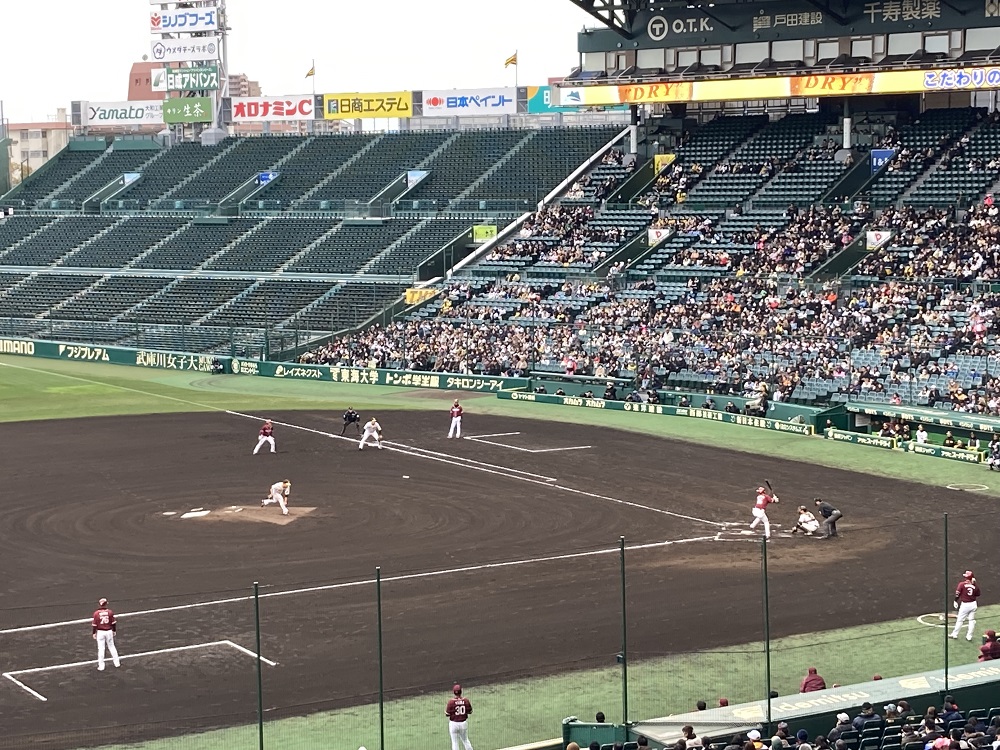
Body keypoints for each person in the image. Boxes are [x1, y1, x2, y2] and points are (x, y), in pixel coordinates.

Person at [950, 570, 980, 641]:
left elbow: (957, 593)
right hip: (973, 604)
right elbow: (978, 594)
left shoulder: (961, 584)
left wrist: (955, 600)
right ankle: (969, 636)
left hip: (965, 605)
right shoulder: (974, 586)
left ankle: (955, 634)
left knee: (960, 620)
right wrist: (974, 584)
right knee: (971, 620)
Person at [92, 597, 121, 671]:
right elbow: (113, 623)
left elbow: (94, 625)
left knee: (101, 649)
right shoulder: (110, 612)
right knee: (112, 647)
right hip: (109, 631)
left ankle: (101, 666)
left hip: (100, 632)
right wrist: (114, 630)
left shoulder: (96, 614)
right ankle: (117, 663)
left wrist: (94, 633)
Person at [446, 683, 473, 750]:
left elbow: (447, 714)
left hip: (453, 724)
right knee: (465, 740)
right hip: (463, 723)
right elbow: (470, 711)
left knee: (455, 742)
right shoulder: (466, 700)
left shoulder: (451, 702)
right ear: (461, 691)